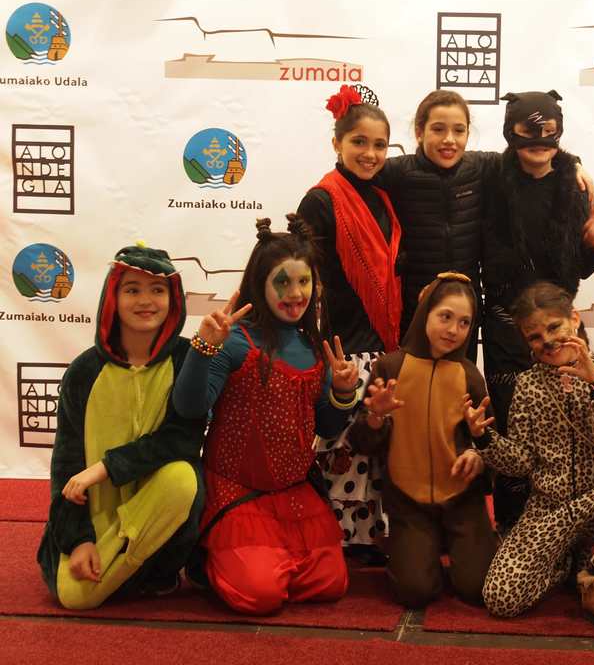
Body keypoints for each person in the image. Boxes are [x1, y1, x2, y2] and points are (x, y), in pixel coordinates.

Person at [172, 216, 358, 614]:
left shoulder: (315, 348)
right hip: (238, 490)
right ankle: (213, 559)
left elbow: (327, 427)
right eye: (283, 282)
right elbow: (189, 407)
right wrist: (202, 348)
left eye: (304, 281)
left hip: (294, 493)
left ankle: (265, 560)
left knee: (332, 584)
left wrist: (343, 393)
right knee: (260, 595)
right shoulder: (235, 342)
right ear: (260, 284)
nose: (296, 293)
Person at [474, 281, 594, 640]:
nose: (548, 341)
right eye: (535, 337)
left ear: (574, 319)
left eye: (554, 327)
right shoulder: (528, 385)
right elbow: (522, 462)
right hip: (550, 509)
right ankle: (567, 562)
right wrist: (483, 439)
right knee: (501, 598)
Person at [37, 244, 204, 609]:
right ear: (113, 296)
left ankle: (147, 571)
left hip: (160, 513)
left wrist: (106, 467)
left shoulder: (186, 359)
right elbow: (66, 464)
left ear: (173, 299)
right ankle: (121, 573)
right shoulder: (85, 371)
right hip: (100, 519)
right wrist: (79, 540)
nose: (146, 301)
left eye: (157, 289)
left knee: (183, 478)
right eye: (132, 289)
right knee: (74, 597)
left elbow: (182, 440)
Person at [378, 89, 594, 361]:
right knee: (413, 381)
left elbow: (535, 153)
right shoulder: (398, 172)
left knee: (460, 382)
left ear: (468, 133)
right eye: (438, 129)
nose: (449, 139)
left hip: (465, 311)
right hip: (414, 309)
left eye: (459, 130)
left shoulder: (482, 166)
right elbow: (362, 168)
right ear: (419, 132)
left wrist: (573, 164)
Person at [481, 89, 594, 531]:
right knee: (510, 421)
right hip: (506, 322)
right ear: (510, 132)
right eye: (528, 131)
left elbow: (579, 266)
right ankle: (513, 525)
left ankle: (574, 525)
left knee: (570, 418)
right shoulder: (491, 177)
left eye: (549, 132)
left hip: (559, 319)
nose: (539, 142)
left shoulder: (572, 185)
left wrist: (593, 244)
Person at [349, 272, 499, 607]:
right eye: (445, 317)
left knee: (478, 589)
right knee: (414, 592)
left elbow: (490, 442)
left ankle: (454, 545)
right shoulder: (389, 368)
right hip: (409, 502)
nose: (453, 330)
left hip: (462, 499)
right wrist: (375, 418)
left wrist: (479, 454)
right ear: (425, 313)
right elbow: (361, 442)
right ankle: (424, 548)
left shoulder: (469, 375)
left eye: (464, 322)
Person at [298, 85, 398, 549]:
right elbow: (308, 281)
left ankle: (369, 538)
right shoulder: (321, 200)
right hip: (342, 344)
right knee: (343, 450)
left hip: (382, 340)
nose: (370, 153)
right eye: (359, 142)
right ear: (336, 142)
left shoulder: (383, 197)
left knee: (374, 447)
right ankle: (333, 540)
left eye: (380, 144)